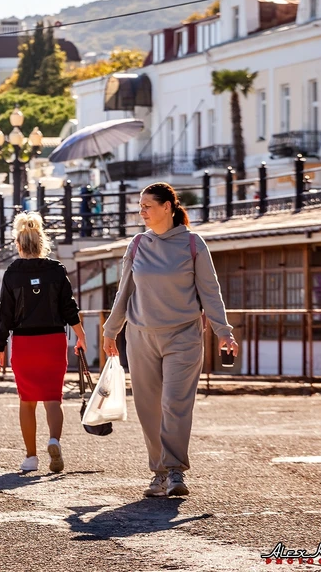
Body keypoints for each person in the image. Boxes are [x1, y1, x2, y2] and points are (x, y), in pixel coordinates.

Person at [103, 182, 239, 498]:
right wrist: (112, 330)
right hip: (141, 337)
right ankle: (159, 472)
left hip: (184, 336)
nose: (142, 212)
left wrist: (224, 331)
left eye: (148, 206)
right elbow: (125, 291)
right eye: (140, 206)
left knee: (175, 404)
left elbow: (210, 291)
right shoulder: (137, 244)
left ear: (167, 207)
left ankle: (175, 469)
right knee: (149, 407)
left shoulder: (192, 244)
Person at [0, 212, 87, 474]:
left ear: (19, 244)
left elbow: (5, 314)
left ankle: (31, 457)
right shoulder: (56, 270)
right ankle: (54, 441)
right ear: (42, 242)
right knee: (53, 398)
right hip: (53, 341)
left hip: (24, 344)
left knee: (27, 401)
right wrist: (80, 334)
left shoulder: (12, 273)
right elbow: (69, 306)